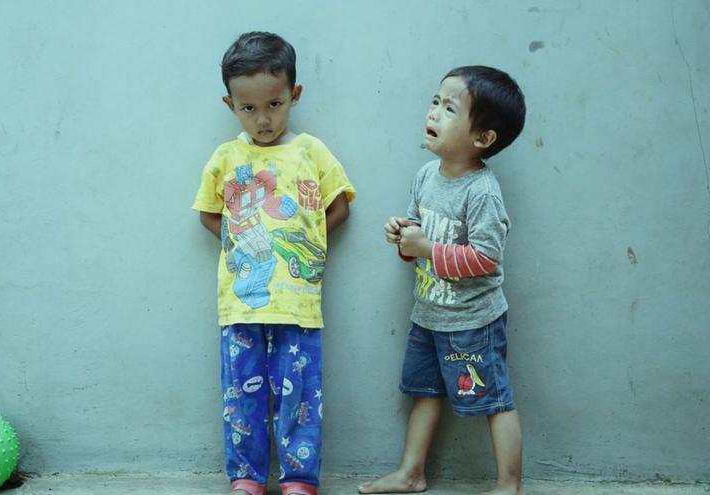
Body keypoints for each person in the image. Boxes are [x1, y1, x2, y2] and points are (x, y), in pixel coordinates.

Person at [193, 31, 356, 495]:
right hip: (241, 303)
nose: (263, 119)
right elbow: (209, 213)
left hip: (299, 306)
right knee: (241, 398)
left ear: (293, 96)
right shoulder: (227, 158)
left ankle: (299, 479)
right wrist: (240, 243)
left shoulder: (311, 151)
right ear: (231, 105)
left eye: (274, 104)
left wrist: (306, 246)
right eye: (249, 108)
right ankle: (245, 476)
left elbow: (340, 206)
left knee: (300, 398)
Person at [358, 66, 526, 495]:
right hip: (429, 314)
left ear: (482, 138)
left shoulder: (481, 191)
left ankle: (510, 484)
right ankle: (411, 473)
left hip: (473, 324)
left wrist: (427, 247)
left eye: (450, 108)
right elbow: (417, 238)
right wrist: (403, 235)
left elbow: (487, 259)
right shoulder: (425, 176)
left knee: (495, 399)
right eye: (435, 102)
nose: (434, 113)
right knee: (425, 392)